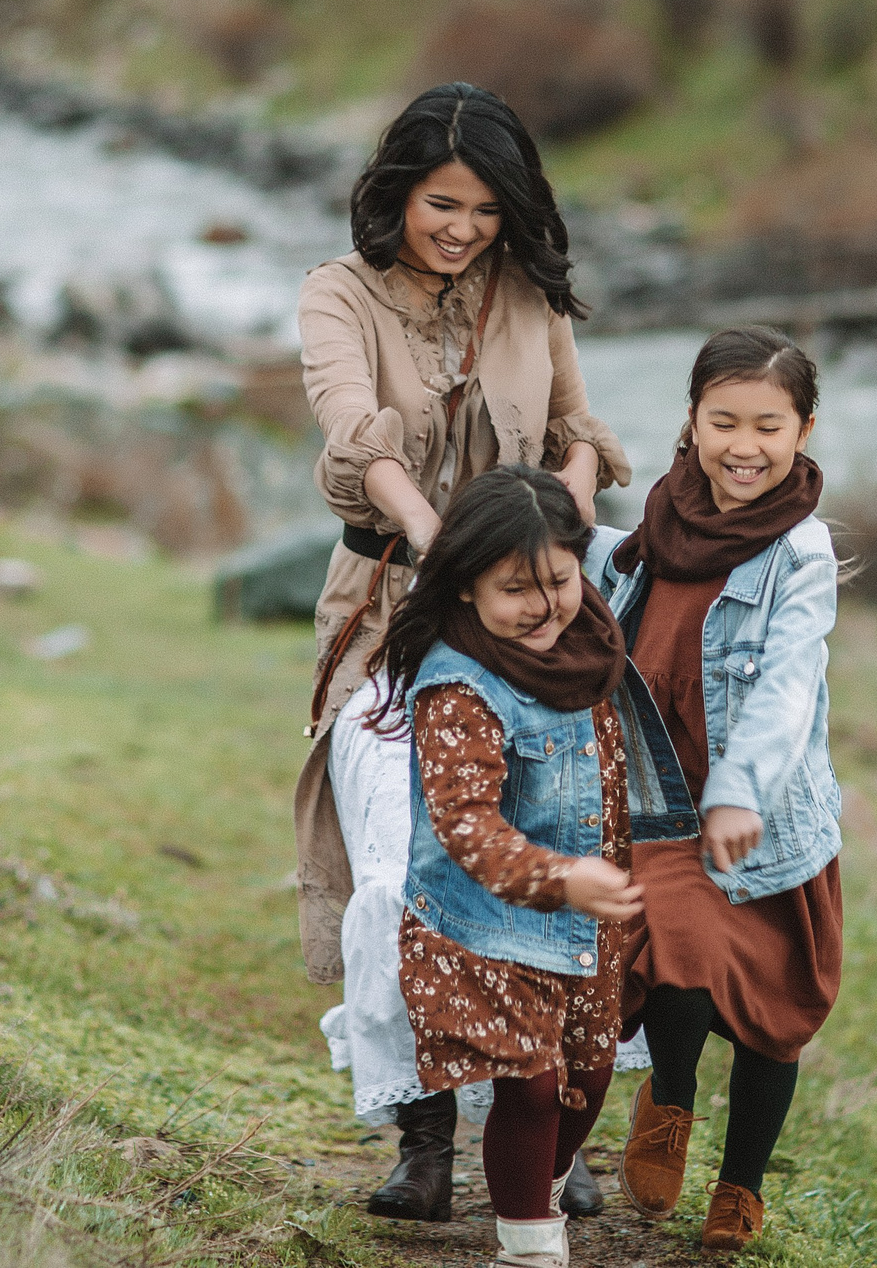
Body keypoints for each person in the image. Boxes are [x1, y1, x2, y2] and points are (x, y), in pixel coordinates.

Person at [293, 83, 632, 1220]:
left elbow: (579, 433)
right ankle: (422, 1133)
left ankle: (546, 1118)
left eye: (488, 209)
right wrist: (447, 552)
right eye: (443, 203)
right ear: (394, 193)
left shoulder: (531, 295)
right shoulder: (335, 295)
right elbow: (356, 434)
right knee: (404, 867)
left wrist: (554, 549)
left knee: (545, 846)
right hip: (394, 608)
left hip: (536, 615)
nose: (464, 228)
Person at [600, 327, 843, 1255]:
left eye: (769, 426)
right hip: (662, 800)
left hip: (765, 813)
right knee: (682, 953)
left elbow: (787, 682)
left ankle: (740, 1188)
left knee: (773, 1016)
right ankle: (671, 1099)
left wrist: (742, 791)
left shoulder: (803, 552)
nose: (746, 445)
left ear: (804, 430)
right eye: (724, 421)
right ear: (693, 423)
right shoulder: (652, 528)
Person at [372, 465, 644, 1268]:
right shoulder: (458, 683)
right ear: (464, 587)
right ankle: (529, 1248)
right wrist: (562, 878)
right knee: (527, 1084)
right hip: (481, 922)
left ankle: (539, 1184)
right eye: (515, 587)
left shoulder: (584, 646)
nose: (544, 604)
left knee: (586, 1079)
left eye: (558, 579)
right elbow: (465, 823)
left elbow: (609, 781)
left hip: (585, 918)